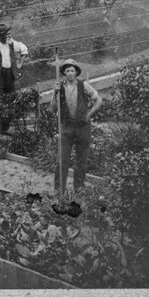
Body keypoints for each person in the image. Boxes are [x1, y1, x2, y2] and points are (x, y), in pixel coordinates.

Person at [51, 58, 102, 212]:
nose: (70, 73)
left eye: (72, 70)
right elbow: (52, 109)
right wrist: (54, 93)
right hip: (67, 127)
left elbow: (99, 101)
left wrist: (89, 115)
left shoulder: (83, 85)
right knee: (63, 160)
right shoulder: (59, 87)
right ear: (64, 73)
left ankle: (79, 190)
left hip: (83, 127)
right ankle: (59, 190)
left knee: (81, 160)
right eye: (67, 70)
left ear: (76, 72)